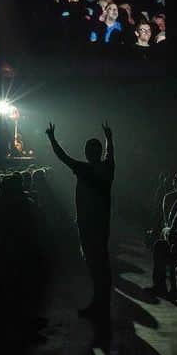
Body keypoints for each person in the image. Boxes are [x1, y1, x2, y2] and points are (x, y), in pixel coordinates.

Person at [46, 121, 115, 322]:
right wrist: (109, 138)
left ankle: (99, 304)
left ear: (87, 153)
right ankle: (102, 303)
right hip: (101, 225)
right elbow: (110, 154)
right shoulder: (107, 168)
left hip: (87, 225)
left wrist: (52, 138)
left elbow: (62, 157)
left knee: (95, 265)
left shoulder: (83, 169)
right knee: (101, 263)